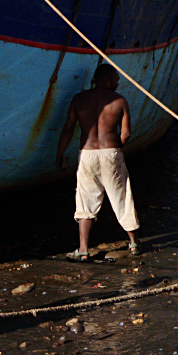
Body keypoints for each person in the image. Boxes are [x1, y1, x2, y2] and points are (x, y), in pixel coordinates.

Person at [56, 64, 141, 261]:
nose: (118, 83)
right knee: (122, 197)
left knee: (85, 200)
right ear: (105, 80)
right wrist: (114, 149)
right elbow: (126, 133)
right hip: (111, 152)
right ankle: (134, 243)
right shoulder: (119, 101)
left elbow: (68, 129)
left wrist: (59, 154)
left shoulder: (79, 99)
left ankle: (83, 250)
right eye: (116, 79)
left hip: (87, 154)